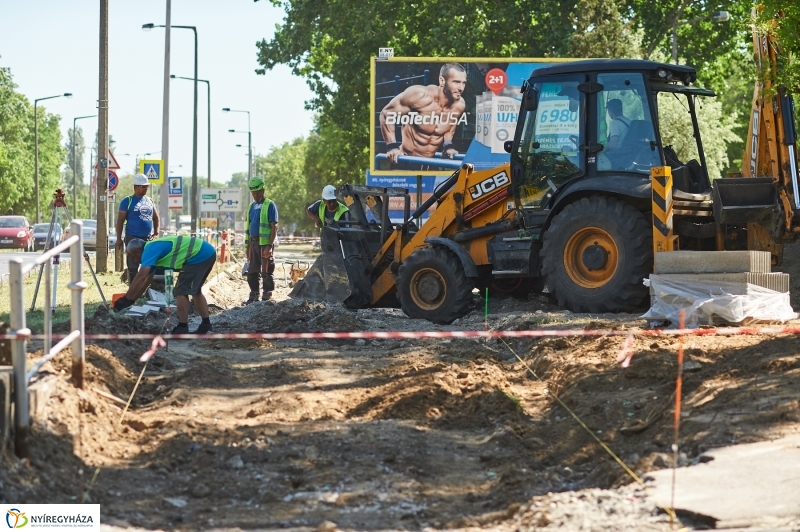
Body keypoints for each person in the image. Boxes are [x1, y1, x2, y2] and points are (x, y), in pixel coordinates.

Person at [112, 236, 217, 334]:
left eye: (133, 257)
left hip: (198, 255)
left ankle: (183, 327)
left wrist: (125, 299)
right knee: (195, 290)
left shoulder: (149, 250)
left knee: (181, 291)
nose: (135, 261)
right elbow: (146, 281)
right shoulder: (152, 249)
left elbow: (141, 276)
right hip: (206, 252)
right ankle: (206, 325)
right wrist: (131, 300)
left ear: (138, 251)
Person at [379, 63, 468, 165]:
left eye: (463, 83)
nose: (461, 88)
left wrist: (448, 146)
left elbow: (451, 125)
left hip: (430, 164)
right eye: (456, 82)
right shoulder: (420, 95)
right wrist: (392, 147)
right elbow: (386, 114)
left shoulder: (459, 105)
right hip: (406, 161)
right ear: (442, 81)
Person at [116, 173, 160, 285]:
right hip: (132, 237)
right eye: (143, 186)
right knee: (132, 265)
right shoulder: (127, 201)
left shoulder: (150, 201)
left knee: (149, 263)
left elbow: (156, 218)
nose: (145, 188)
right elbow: (120, 221)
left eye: (147, 186)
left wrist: (156, 233)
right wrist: (118, 239)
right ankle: (133, 287)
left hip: (147, 238)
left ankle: (147, 287)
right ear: (135, 187)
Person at [243, 176, 278, 304]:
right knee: (252, 271)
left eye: (258, 192)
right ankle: (254, 294)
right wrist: (247, 247)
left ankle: (267, 294)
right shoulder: (251, 207)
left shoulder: (270, 205)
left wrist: (269, 245)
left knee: (267, 270)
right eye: (253, 192)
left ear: (263, 190)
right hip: (253, 243)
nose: (255, 194)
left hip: (265, 244)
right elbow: (248, 227)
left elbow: (274, 227)